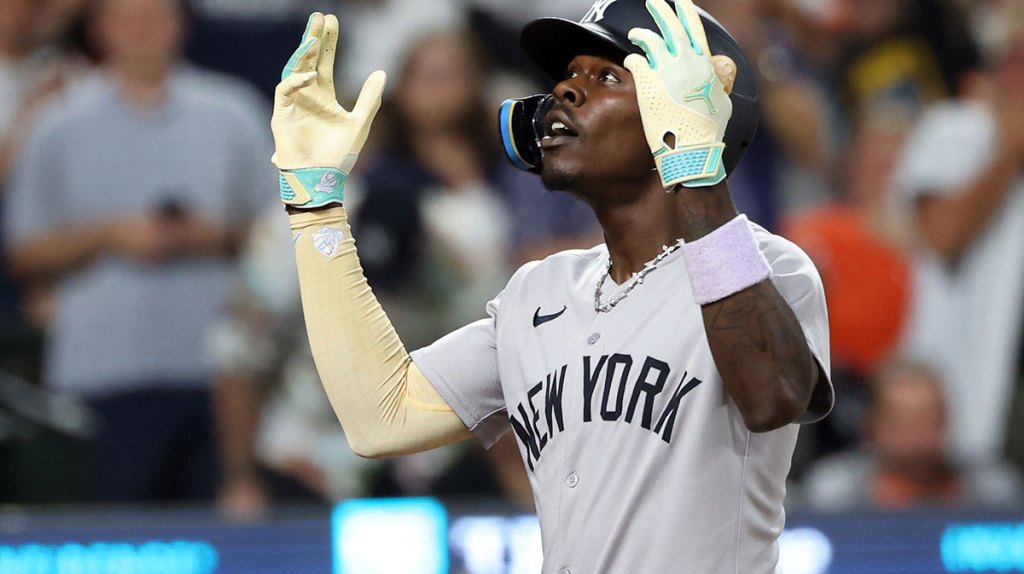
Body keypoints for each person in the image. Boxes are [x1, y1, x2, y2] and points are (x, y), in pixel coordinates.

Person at [271, 1, 833, 572]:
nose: (564, 90)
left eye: (608, 76)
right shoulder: (540, 291)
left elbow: (773, 398)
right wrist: (316, 207)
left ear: (696, 114)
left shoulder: (767, 265)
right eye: (568, 74)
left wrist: (695, 165)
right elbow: (381, 414)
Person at [4, 0, 274, 502]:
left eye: (155, 17)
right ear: (99, 28)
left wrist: (214, 238)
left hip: (222, 375)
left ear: (183, 24)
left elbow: (285, 233)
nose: (142, 31)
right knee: (115, 538)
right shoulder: (56, 122)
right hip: (101, 372)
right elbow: (22, 251)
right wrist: (108, 235)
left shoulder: (234, 112)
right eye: (127, 18)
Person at [800, 358, 1021, 512]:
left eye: (926, 420)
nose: (915, 436)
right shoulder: (832, 494)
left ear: (946, 421)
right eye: (901, 421)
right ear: (871, 425)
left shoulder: (994, 492)